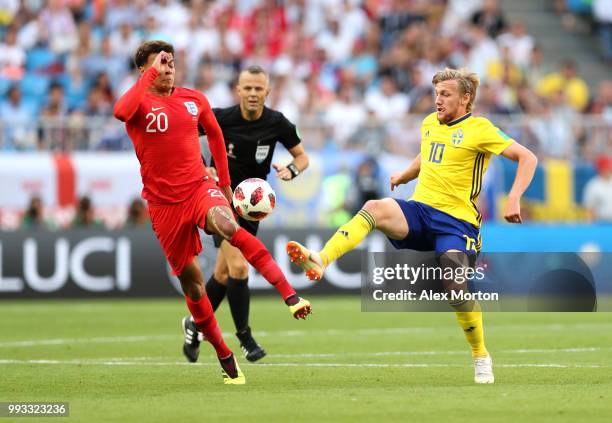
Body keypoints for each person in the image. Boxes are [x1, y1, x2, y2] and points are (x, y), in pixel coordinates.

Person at [286, 68, 538, 384]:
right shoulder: (429, 123)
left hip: (457, 224)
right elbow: (429, 153)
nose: (438, 100)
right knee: (374, 208)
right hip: (420, 212)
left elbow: (527, 158)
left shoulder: (480, 129)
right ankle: (321, 259)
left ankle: (480, 356)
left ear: (465, 98)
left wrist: (514, 197)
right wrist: (406, 175)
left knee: (455, 288)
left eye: (445, 94)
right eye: (436, 94)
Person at [113, 41, 312, 385]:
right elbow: (120, 111)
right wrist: (149, 76)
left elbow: (216, 139)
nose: (168, 66)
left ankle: (288, 295)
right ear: (145, 70)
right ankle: (223, 351)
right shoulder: (139, 103)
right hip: (163, 205)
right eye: (161, 62)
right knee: (196, 283)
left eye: (171, 61)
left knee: (231, 233)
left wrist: (220, 185)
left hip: (203, 190)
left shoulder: (195, 100)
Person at [181, 65, 310, 364]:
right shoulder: (221, 117)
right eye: (247, 88)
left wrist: (290, 170)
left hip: (252, 207)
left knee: (224, 274)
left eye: (258, 89)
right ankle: (245, 339)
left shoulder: (277, 123)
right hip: (220, 201)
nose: (252, 94)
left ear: (268, 91)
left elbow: (302, 157)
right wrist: (203, 166)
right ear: (238, 90)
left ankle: (194, 323)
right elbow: (185, 135)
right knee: (240, 268)